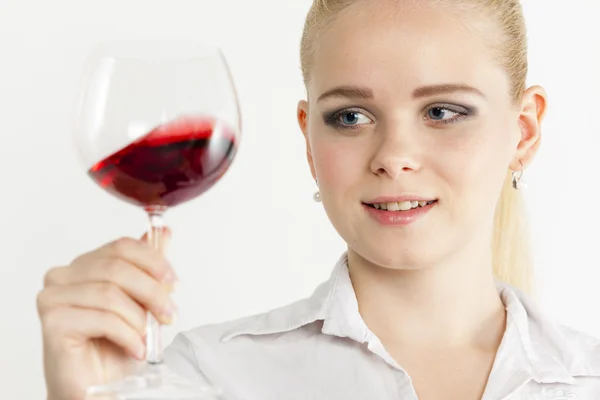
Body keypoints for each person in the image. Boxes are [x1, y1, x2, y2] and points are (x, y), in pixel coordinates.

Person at [37, 0, 600, 399]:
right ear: (310, 140)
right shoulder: (207, 377)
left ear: (523, 132)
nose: (394, 155)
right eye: (351, 117)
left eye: (442, 111)